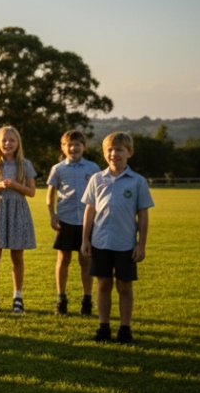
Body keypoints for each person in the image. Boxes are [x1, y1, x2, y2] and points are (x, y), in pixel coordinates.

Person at [81, 132, 154, 345]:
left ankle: (125, 328)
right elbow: (89, 211)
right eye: (109, 150)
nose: (114, 154)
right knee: (103, 285)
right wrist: (85, 239)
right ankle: (103, 327)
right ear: (105, 153)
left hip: (125, 245)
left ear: (129, 153)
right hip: (100, 242)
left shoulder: (138, 182)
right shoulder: (97, 179)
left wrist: (141, 244)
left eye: (119, 150)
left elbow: (143, 214)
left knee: (124, 287)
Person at [0, 126, 38, 314]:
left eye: (11, 140)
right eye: (4, 140)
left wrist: (15, 185)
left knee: (17, 256)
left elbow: (31, 192)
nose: (8, 143)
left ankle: (18, 296)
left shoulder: (25, 164)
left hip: (18, 210)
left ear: (17, 143)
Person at [46, 129, 99, 316]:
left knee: (86, 260)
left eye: (77, 144)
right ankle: (61, 298)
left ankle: (87, 299)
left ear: (84, 147)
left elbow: (99, 194)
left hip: (87, 222)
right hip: (66, 220)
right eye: (69, 144)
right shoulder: (58, 169)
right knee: (63, 259)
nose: (73, 147)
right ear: (63, 147)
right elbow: (50, 194)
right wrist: (52, 214)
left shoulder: (92, 168)